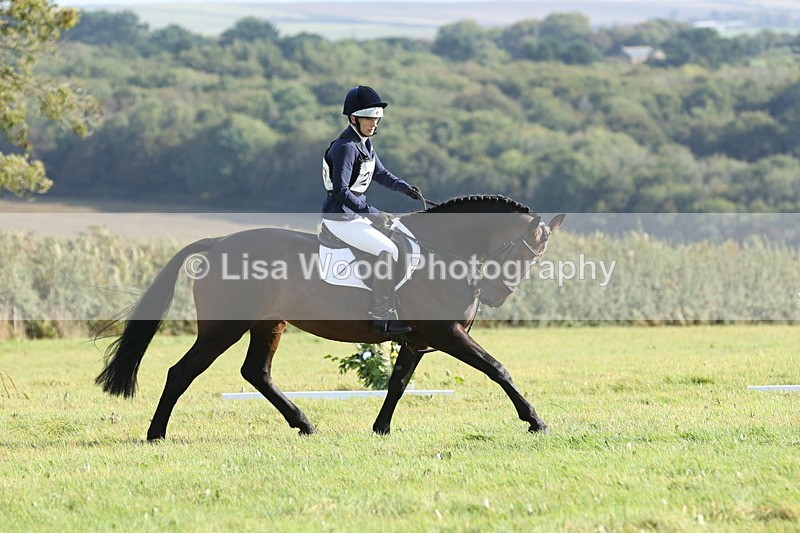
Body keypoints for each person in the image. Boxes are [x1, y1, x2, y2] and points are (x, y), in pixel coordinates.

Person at [321, 85, 423, 336]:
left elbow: (381, 174)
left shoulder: (364, 144)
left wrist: (405, 188)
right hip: (341, 217)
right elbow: (341, 191)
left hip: (355, 215)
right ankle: (380, 316)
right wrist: (373, 213)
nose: (374, 124)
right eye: (369, 119)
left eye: (376, 119)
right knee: (386, 249)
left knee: (403, 238)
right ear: (353, 118)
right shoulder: (345, 147)